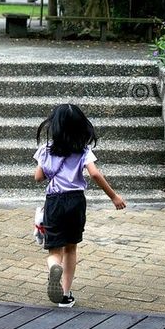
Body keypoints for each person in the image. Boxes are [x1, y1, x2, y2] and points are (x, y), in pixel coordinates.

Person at [34, 103, 126, 308]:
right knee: (71, 248)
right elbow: (94, 173)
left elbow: (38, 177)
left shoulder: (45, 150)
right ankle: (65, 296)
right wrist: (114, 197)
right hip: (76, 201)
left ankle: (52, 267)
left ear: (54, 126)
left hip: (54, 201)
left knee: (54, 250)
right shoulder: (84, 151)